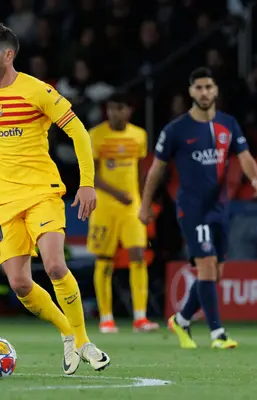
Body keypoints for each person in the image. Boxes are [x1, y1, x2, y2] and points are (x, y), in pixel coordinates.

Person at [0, 23, 110, 375]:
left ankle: (85, 341)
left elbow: (79, 132)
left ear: (8, 54)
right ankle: (68, 334)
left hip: (41, 193)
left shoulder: (38, 91)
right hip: (0, 202)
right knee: (21, 284)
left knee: (55, 265)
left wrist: (87, 184)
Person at [139, 67, 257, 349]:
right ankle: (217, 334)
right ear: (191, 92)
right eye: (199, 87)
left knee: (216, 271)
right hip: (192, 208)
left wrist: (255, 178)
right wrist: (145, 204)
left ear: (216, 90)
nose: (205, 92)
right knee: (207, 267)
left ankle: (181, 320)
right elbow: (157, 170)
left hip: (220, 208)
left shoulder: (228, 124)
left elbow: (244, 156)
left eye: (209, 87)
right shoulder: (176, 130)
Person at [88, 93, 159, 333]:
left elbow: (140, 172)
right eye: (110, 108)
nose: (114, 113)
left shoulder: (139, 135)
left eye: (119, 108)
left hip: (132, 205)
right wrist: (118, 194)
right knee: (104, 260)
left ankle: (140, 317)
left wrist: (144, 201)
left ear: (129, 110)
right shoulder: (95, 135)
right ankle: (106, 318)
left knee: (138, 255)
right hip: (105, 206)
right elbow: (93, 175)